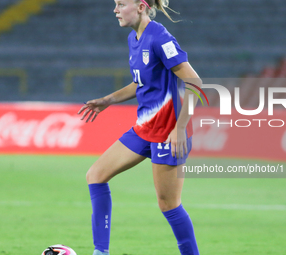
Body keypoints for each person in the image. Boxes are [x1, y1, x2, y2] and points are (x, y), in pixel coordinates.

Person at [78, 0, 201, 254]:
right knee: (95, 176)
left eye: (121, 4)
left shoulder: (159, 37)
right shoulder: (134, 39)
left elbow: (195, 82)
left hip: (168, 132)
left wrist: (179, 129)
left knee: (169, 204)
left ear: (141, 6)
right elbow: (140, 83)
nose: (115, 10)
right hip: (144, 128)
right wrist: (108, 100)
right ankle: (100, 251)